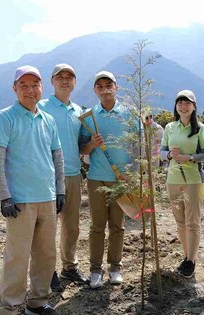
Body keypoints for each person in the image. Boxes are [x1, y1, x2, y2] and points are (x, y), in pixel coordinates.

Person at [0, 65, 64, 315]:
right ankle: (7, 311)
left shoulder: (48, 119)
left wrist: (60, 190)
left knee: (46, 254)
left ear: (42, 87)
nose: (30, 89)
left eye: (35, 84)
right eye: (24, 84)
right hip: (20, 199)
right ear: (14, 88)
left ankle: (37, 301)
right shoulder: (5, 117)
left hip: (46, 196)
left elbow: (57, 156)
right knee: (17, 256)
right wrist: (4, 195)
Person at [79, 71, 136, 289]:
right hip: (96, 179)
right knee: (96, 226)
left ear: (116, 87)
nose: (105, 89)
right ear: (95, 90)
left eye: (109, 85)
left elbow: (137, 145)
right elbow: (81, 149)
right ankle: (95, 271)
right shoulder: (89, 115)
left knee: (118, 226)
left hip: (121, 180)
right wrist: (92, 144)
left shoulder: (129, 114)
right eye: (100, 86)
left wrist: (131, 172)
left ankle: (115, 268)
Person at [38, 64, 88, 292]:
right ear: (52, 81)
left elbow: (81, 145)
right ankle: (48, 271)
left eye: (70, 77)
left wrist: (93, 144)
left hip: (74, 174)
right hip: (48, 177)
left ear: (75, 82)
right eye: (60, 77)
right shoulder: (41, 107)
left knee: (72, 225)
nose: (65, 81)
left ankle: (69, 266)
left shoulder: (79, 112)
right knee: (48, 226)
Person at [160, 90, 204, 279]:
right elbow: (161, 152)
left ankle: (191, 261)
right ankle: (187, 256)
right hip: (173, 180)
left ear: (194, 107)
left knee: (193, 222)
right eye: (180, 102)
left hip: (194, 180)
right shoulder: (170, 127)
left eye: (187, 102)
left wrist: (190, 158)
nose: (183, 105)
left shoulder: (202, 129)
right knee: (180, 222)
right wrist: (171, 155)